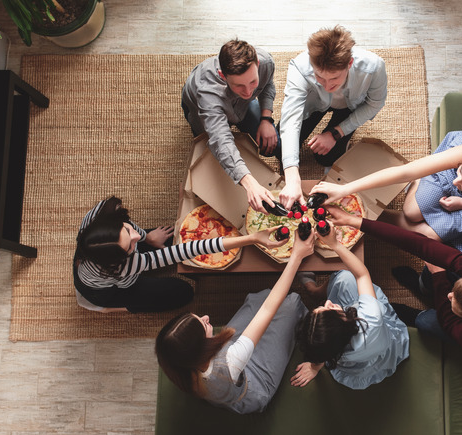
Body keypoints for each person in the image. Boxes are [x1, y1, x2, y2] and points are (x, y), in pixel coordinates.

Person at [327, 205, 462, 356]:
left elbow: (447, 319)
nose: (450, 294)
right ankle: (424, 286)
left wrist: (441, 278)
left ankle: (418, 312)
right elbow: (420, 244)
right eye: (455, 291)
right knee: (435, 265)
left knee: (428, 322)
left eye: (453, 298)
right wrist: (354, 221)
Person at [311, 127, 462, 254]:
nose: (455, 185)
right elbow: (405, 172)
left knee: (428, 236)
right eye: (460, 172)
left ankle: (363, 218)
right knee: (411, 213)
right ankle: (434, 181)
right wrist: (345, 189)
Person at [155, 231, 313, 414]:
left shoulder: (174, 359)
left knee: (257, 301)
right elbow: (268, 310)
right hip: (253, 385)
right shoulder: (230, 361)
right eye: (203, 324)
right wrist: (297, 256)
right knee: (291, 304)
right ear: (202, 348)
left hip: (223, 381)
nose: (206, 317)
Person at [74, 197, 283, 313]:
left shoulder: (102, 212)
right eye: (130, 246)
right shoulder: (122, 266)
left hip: (111, 258)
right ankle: (113, 307)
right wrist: (253, 238)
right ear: (122, 257)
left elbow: (133, 233)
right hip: (108, 288)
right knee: (183, 292)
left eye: (127, 229)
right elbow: (190, 250)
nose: (136, 234)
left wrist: (146, 237)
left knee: (164, 237)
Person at [278, 25, 388, 209]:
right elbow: (291, 120)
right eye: (319, 78)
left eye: (335, 78)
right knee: (280, 149)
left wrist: (335, 133)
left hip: (349, 107)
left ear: (349, 64)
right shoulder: (299, 67)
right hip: (313, 105)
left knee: (325, 158)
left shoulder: (374, 67)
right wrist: (292, 178)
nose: (327, 85)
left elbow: (374, 104)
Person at [290, 223, 409, 390]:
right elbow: (361, 274)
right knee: (345, 276)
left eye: (323, 306)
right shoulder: (371, 318)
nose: (328, 302)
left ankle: (314, 291)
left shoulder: (328, 346)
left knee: (343, 280)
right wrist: (334, 244)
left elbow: (321, 347)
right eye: (329, 308)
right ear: (343, 323)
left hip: (358, 357)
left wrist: (314, 367)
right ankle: (315, 291)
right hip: (382, 350)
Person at [182, 39, 282, 213]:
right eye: (239, 86)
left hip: (243, 107)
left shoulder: (266, 63)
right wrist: (250, 184)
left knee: (276, 144)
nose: (249, 92)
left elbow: (267, 86)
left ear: (257, 65)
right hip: (202, 112)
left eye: (253, 82)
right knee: (212, 158)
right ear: (222, 76)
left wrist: (267, 119)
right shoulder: (207, 93)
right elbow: (221, 140)